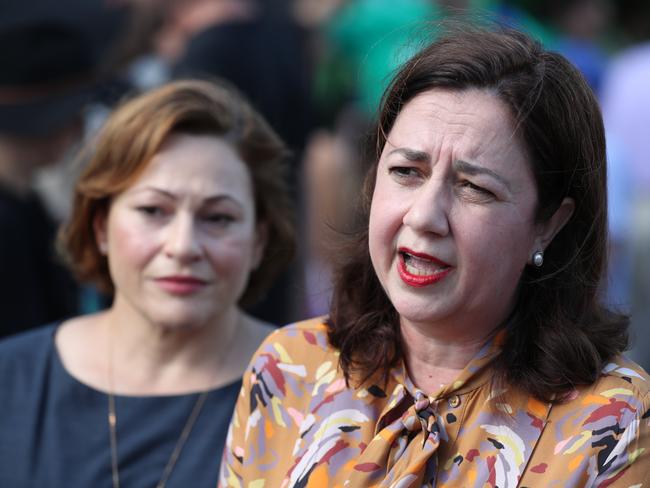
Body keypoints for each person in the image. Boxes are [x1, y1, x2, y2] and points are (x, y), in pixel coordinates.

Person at [219, 26, 649, 487]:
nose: (424, 216)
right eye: (406, 171)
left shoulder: (613, 422)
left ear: (548, 225)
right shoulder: (288, 368)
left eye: (474, 188)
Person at [0, 79, 295, 487]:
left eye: (218, 218)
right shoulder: (12, 380)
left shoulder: (311, 392)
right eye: (154, 210)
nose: (183, 246)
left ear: (259, 241)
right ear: (100, 225)